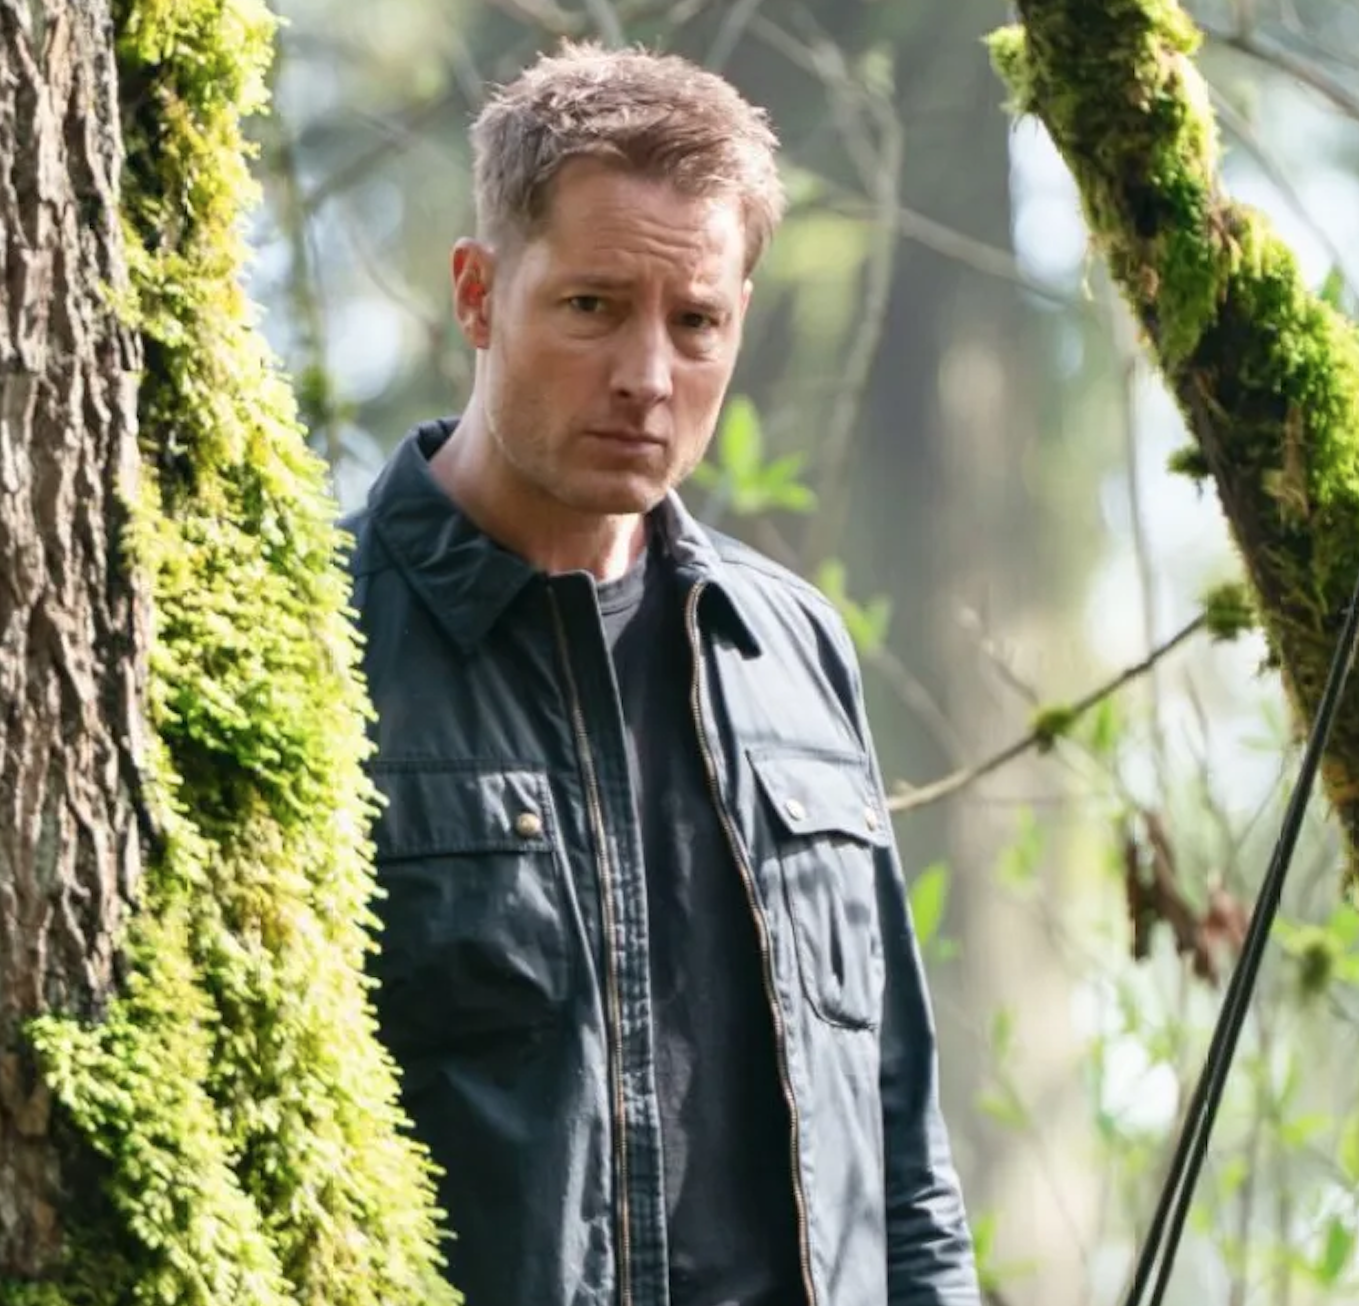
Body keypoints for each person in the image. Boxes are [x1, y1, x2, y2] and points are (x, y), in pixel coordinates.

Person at [339, 39, 983, 1306]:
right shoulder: (320, 632)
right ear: (478, 294)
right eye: (592, 306)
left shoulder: (791, 651)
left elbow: (901, 1159)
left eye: (696, 323)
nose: (647, 377)